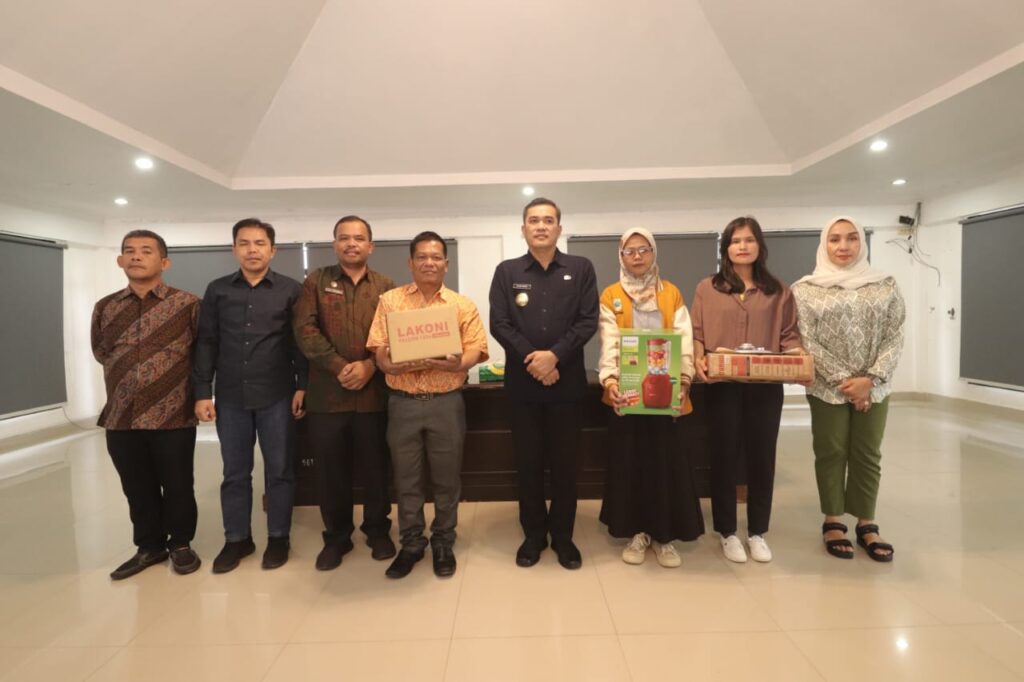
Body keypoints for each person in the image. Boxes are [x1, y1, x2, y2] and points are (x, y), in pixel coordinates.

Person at [366, 231, 488, 579]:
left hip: (446, 403)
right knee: (406, 479)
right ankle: (411, 543)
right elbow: (378, 347)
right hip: (402, 403)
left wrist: (459, 363)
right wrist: (387, 364)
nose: (429, 263)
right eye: (422, 257)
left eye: (436, 257)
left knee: (447, 479)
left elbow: (476, 348)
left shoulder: (461, 305)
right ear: (410, 262)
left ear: (446, 264)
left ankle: (444, 541)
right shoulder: (390, 301)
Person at [489, 197, 599, 570]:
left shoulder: (581, 268)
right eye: (533, 220)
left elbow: (587, 320)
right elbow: (500, 323)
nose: (540, 226)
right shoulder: (506, 271)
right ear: (523, 229)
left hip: (567, 385)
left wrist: (554, 357)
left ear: (559, 228)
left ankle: (564, 537)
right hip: (523, 388)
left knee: (566, 466)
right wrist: (536, 361)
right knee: (529, 465)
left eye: (548, 220)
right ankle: (534, 536)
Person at [193, 218, 309, 573]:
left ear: (272, 250)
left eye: (259, 243)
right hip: (230, 396)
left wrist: (303, 385)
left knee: (280, 470)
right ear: (234, 249)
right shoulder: (218, 290)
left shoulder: (291, 290)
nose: (252, 250)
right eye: (244, 243)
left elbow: (299, 343)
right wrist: (202, 391)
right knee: (235, 472)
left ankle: (278, 537)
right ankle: (237, 539)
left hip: (277, 393)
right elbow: (207, 342)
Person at [692, 216, 804, 564]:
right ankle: (727, 531)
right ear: (726, 248)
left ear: (760, 246)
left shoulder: (778, 291)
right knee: (723, 457)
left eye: (749, 240)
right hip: (722, 386)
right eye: (735, 240)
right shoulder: (707, 288)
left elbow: (789, 336)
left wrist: (798, 357)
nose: (742, 246)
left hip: (765, 388)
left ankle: (757, 531)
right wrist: (697, 359)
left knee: (762, 458)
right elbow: (697, 332)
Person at [792, 217, 905, 562]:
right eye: (835, 239)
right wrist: (847, 383)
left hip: (875, 387)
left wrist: (870, 380)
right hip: (827, 387)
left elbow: (895, 335)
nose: (843, 246)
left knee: (868, 453)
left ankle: (866, 523)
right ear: (823, 244)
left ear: (862, 243)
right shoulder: (805, 289)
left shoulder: (884, 286)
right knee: (831, 451)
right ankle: (833, 520)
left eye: (852, 238)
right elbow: (808, 340)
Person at [91, 230, 202, 579]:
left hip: (172, 412)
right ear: (120, 260)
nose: (136, 256)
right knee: (136, 488)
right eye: (129, 251)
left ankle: (180, 544)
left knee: (178, 485)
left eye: (146, 251)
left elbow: (201, 353)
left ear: (164, 262)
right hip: (121, 415)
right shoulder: (106, 307)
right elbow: (101, 351)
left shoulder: (187, 304)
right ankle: (149, 546)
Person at [293, 215, 397, 570]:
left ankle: (378, 531)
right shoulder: (316, 281)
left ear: (371, 246)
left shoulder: (387, 287)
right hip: (328, 396)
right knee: (330, 473)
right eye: (344, 237)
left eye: (359, 238)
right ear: (334, 243)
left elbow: (395, 336)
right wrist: (340, 367)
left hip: (374, 396)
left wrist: (369, 366)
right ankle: (337, 537)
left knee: (376, 470)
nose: (351, 243)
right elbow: (305, 330)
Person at [597, 228, 704, 567]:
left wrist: (683, 380)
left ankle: (664, 536)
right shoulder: (611, 295)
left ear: (654, 253)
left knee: (666, 465)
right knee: (633, 465)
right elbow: (610, 343)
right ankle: (638, 532)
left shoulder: (671, 293)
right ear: (621, 256)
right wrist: (610, 381)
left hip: (667, 395)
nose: (638, 256)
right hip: (628, 396)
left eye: (644, 249)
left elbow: (683, 340)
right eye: (630, 251)